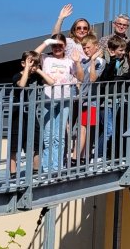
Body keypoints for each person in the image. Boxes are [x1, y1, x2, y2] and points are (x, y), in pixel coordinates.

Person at [35, 34, 83, 172]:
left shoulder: (69, 61)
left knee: (60, 135)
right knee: (48, 134)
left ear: (65, 46)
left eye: (60, 45)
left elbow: (80, 77)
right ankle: (46, 167)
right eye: (54, 45)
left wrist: (78, 62)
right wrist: (47, 42)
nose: (57, 48)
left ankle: (57, 166)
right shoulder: (46, 58)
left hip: (65, 99)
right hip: (48, 99)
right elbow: (32, 55)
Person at [9, 50, 53, 176]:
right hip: (18, 115)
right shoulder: (17, 76)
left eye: (35, 63)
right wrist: (27, 69)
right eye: (30, 63)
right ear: (23, 63)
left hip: (31, 115)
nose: (32, 66)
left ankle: (35, 170)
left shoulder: (35, 77)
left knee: (38, 143)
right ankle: (13, 173)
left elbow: (51, 82)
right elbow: (21, 85)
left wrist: (38, 70)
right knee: (14, 145)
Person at [73, 35, 106, 164]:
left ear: (96, 47)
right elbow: (79, 78)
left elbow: (93, 78)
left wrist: (92, 61)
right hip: (80, 99)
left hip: (91, 100)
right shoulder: (83, 61)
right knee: (79, 128)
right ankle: (81, 157)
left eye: (88, 48)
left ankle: (76, 158)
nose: (86, 50)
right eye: (84, 48)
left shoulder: (100, 61)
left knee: (84, 128)